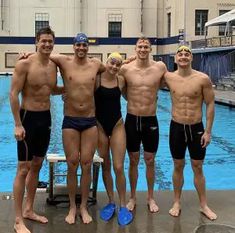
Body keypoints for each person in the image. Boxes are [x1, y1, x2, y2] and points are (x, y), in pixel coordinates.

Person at [9, 27, 64, 233]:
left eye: (50, 41)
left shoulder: (53, 66)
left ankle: (29, 209)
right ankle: (17, 219)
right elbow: (14, 94)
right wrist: (17, 123)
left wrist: (74, 88)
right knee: (23, 168)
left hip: (45, 118)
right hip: (27, 118)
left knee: (37, 164)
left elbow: (51, 89)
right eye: (43, 41)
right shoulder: (24, 64)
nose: (47, 44)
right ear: (36, 42)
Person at [49, 33, 105, 224]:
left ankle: (83, 206)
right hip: (70, 120)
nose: (81, 48)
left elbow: (114, 67)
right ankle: (72, 206)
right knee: (72, 163)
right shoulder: (63, 61)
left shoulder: (96, 64)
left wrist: (129, 59)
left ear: (87, 47)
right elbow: (43, 53)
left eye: (84, 45)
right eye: (78, 45)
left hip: (89, 121)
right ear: (73, 46)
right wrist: (26, 54)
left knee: (87, 164)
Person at [164, 45, 217, 220]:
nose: (184, 56)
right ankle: (176, 202)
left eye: (187, 54)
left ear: (191, 58)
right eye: (180, 54)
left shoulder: (203, 79)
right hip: (176, 127)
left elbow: (210, 103)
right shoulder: (168, 77)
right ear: (175, 58)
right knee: (178, 165)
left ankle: (203, 205)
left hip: (196, 128)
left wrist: (208, 131)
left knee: (198, 167)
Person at [119, 37, 167, 213]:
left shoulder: (160, 67)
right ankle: (132, 197)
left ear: (150, 49)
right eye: (140, 46)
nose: (143, 49)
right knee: (133, 160)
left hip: (150, 120)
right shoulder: (126, 69)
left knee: (150, 160)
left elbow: (168, 83)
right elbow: (119, 87)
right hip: (132, 119)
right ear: (135, 48)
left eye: (146, 46)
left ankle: (150, 197)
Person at [94, 52, 133, 225]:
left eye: (118, 64)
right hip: (99, 126)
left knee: (118, 166)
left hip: (117, 124)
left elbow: (128, 95)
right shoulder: (96, 79)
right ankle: (111, 201)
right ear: (106, 62)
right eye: (112, 63)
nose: (114, 67)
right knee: (106, 165)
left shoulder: (121, 80)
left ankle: (123, 204)